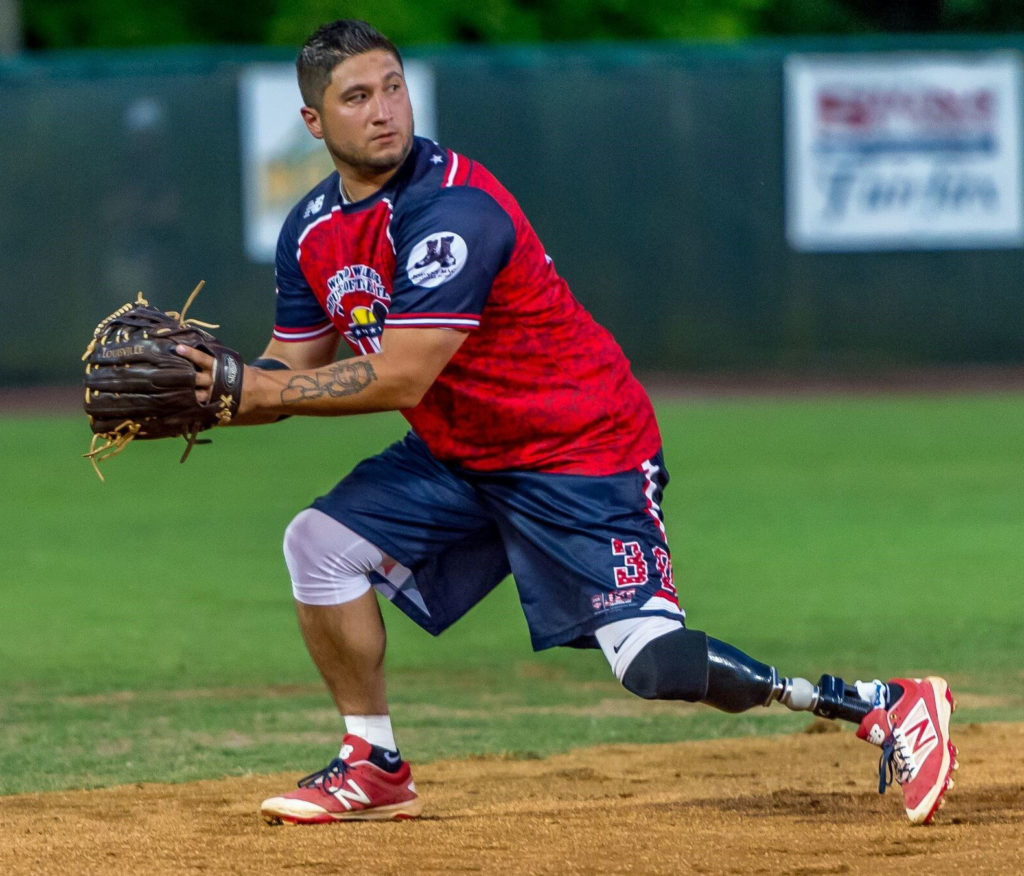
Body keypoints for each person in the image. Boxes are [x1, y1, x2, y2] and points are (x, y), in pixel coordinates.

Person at [176, 19, 957, 826]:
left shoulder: (453, 210)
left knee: (650, 664)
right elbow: (288, 371)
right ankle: (373, 763)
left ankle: (877, 703)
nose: (384, 110)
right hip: (462, 456)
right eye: (357, 96)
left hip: (580, 449)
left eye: (393, 87)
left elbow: (404, 371)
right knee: (317, 543)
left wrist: (256, 394)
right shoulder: (311, 230)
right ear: (314, 122)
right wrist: (211, 392)